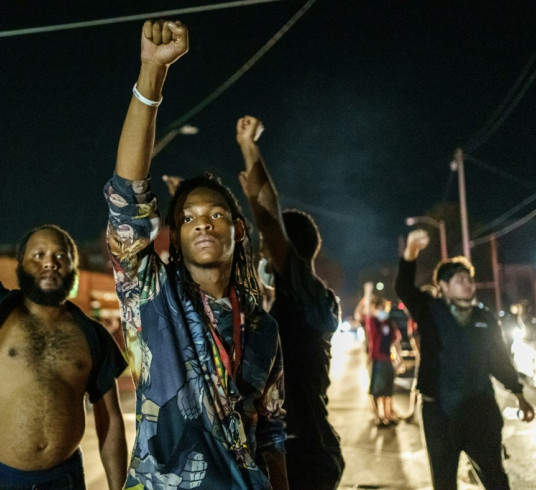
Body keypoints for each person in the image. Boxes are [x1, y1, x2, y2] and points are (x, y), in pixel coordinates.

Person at [105, 20, 287, 489]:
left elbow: (271, 432)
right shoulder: (151, 296)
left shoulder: (262, 327)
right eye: (187, 218)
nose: (203, 222)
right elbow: (128, 197)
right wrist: (151, 74)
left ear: (238, 229)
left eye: (217, 215)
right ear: (174, 236)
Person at [0, 101, 128, 489]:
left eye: (60, 256)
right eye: (38, 255)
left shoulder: (93, 336)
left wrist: (118, 487)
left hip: (65, 480)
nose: (50, 262)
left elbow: (110, 423)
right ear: (20, 265)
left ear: (73, 270)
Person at [234, 115, 343, 488]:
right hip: (304, 446)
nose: (262, 256)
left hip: (304, 453)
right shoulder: (305, 298)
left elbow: (269, 219)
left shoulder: (302, 290)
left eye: (267, 250)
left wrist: (249, 148)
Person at [395, 229, 535, 489]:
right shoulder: (430, 311)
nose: (468, 284)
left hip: (480, 409)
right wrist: (411, 251)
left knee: (494, 476)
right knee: (444, 481)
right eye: (460, 279)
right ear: (444, 286)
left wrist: (519, 394)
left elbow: (499, 361)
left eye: (470, 279)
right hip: (439, 413)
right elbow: (403, 287)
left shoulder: (485, 318)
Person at [361, 283, 403, 427]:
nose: (381, 311)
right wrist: (367, 292)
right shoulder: (373, 323)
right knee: (378, 392)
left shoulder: (390, 325)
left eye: (383, 309)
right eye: (378, 309)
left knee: (388, 391)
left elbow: (395, 343)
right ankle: (380, 418)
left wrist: (399, 360)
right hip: (378, 361)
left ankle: (387, 415)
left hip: (388, 361)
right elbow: (366, 311)